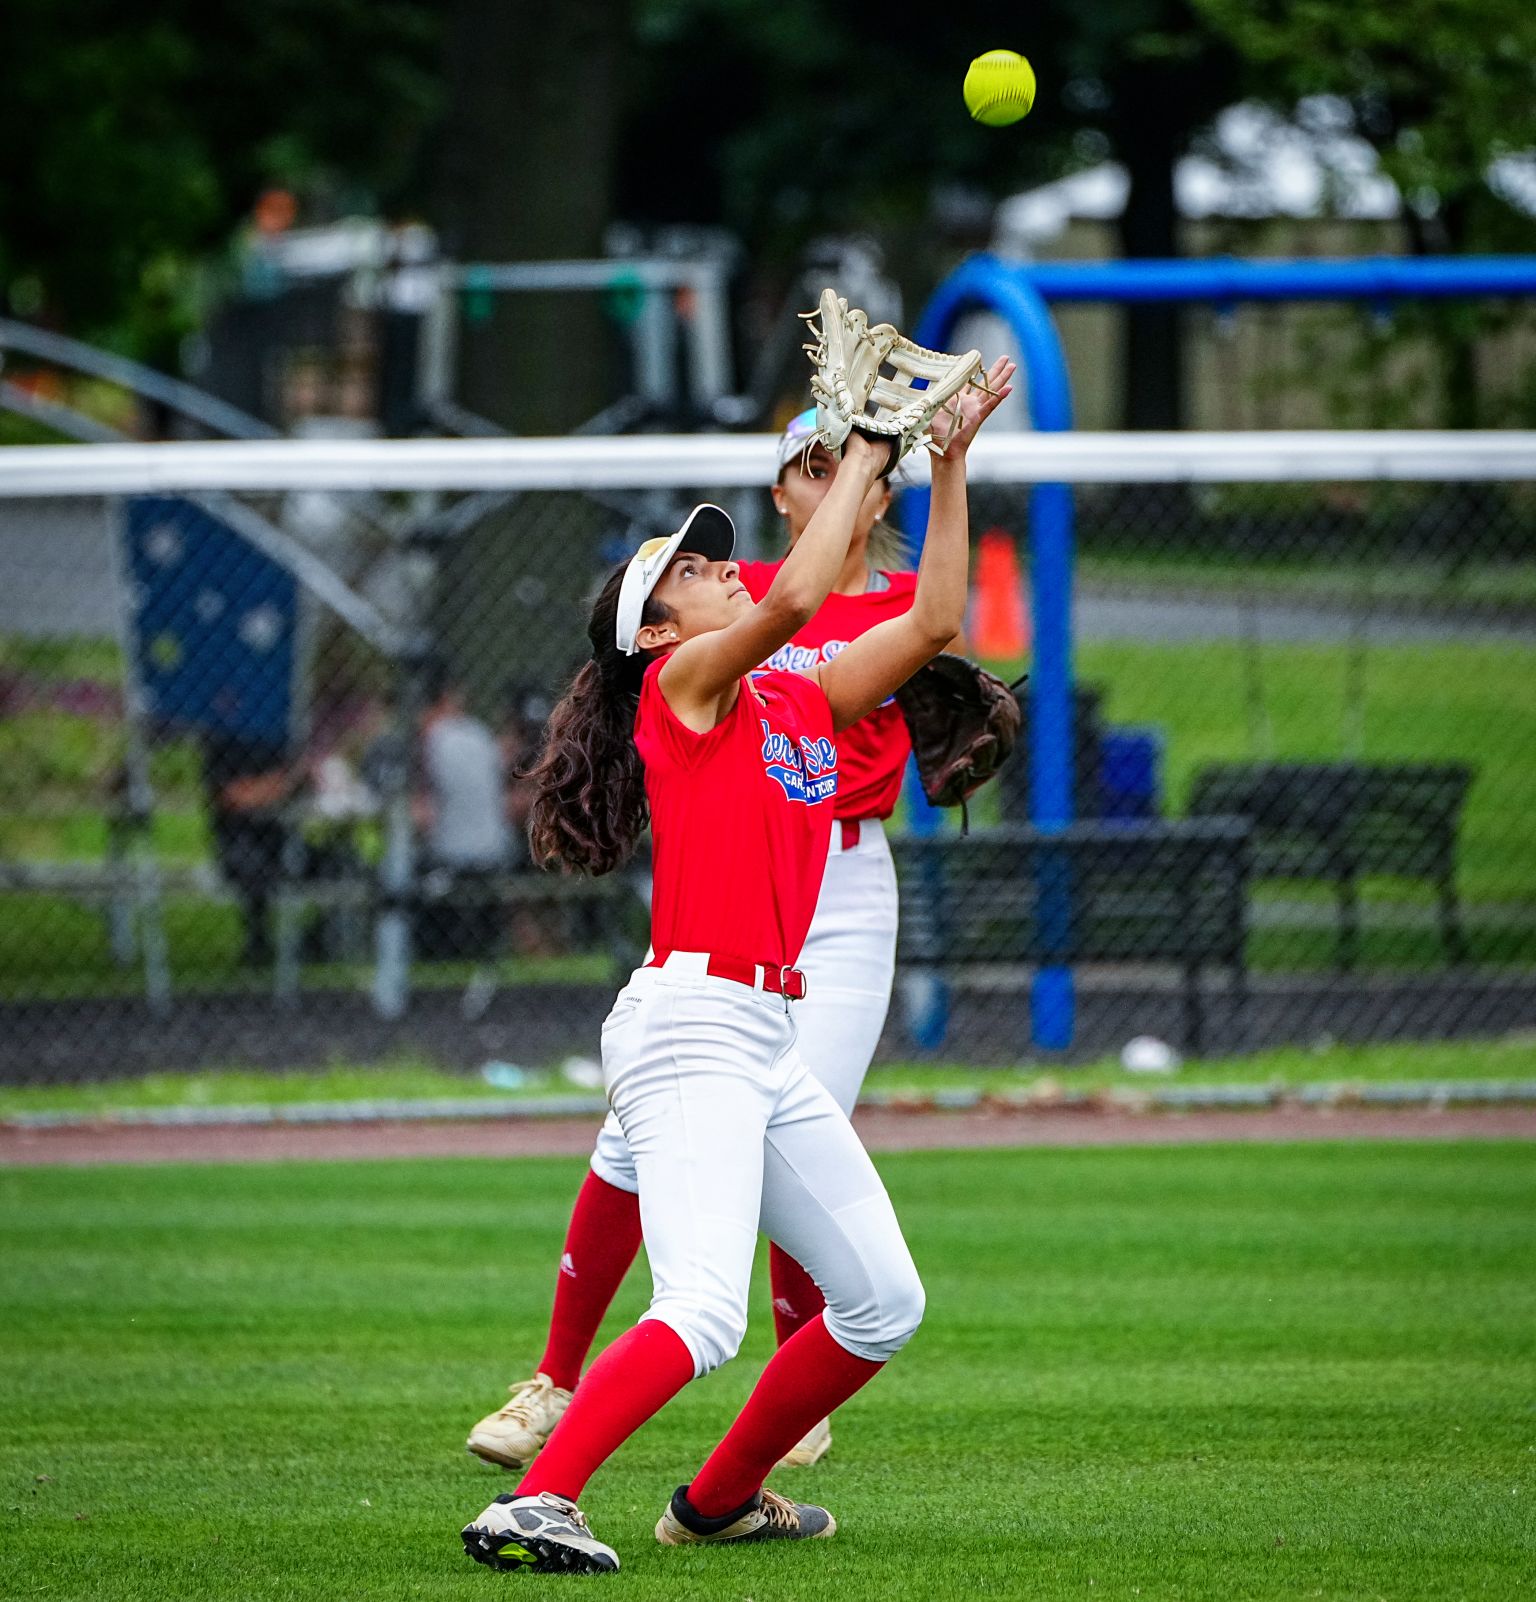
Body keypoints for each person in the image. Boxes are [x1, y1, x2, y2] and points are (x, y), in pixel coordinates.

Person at [460, 355, 1015, 1574]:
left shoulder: (796, 698)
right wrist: (869, 443)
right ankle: (535, 1500)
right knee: (705, 1308)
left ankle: (715, 1501)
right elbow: (786, 602)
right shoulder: (682, 687)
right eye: (690, 572)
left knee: (882, 1302)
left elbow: (926, 623)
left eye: (715, 556)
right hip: (693, 1022)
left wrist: (951, 459)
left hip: (763, 1036)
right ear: (655, 631)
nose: (720, 567)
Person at [414, 664, 511, 960]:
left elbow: (421, 812)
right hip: (495, 855)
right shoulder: (478, 733)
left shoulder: (430, 739)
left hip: (448, 859)